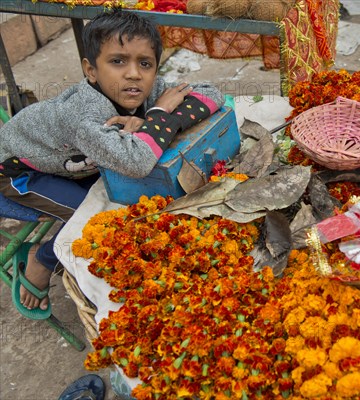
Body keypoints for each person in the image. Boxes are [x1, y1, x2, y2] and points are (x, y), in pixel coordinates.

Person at [0, 9, 224, 314]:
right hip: (16, 172)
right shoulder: (82, 114)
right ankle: (42, 259)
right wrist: (157, 117)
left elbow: (213, 94)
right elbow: (137, 162)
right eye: (117, 61)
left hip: (73, 163)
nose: (133, 74)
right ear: (90, 70)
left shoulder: (146, 89)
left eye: (145, 63)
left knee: (129, 200)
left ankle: (51, 252)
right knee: (97, 221)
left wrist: (150, 119)